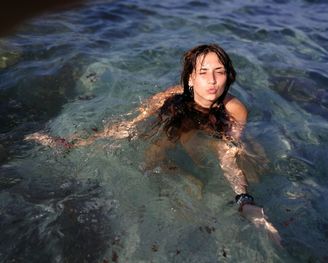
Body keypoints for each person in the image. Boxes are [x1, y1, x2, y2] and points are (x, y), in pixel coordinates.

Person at [25, 44, 281, 244]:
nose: (212, 81)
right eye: (203, 72)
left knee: (242, 160)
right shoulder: (172, 96)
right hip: (175, 128)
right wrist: (75, 143)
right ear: (190, 79)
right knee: (150, 158)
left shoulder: (234, 109)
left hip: (209, 136)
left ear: (229, 76)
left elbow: (228, 152)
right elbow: (129, 124)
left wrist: (244, 200)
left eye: (220, 72)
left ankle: (223, 200)